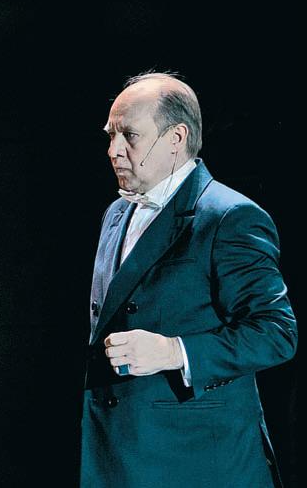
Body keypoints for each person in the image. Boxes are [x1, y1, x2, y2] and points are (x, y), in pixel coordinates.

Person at [82, 72, 297, 487]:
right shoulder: (116, 213)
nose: (114, 150)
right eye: (110, 135)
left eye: (130, 136)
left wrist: (173, 351)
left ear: (176, 138)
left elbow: (276, 333)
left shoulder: (229, 216)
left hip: (195, 458)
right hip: (119, 449)